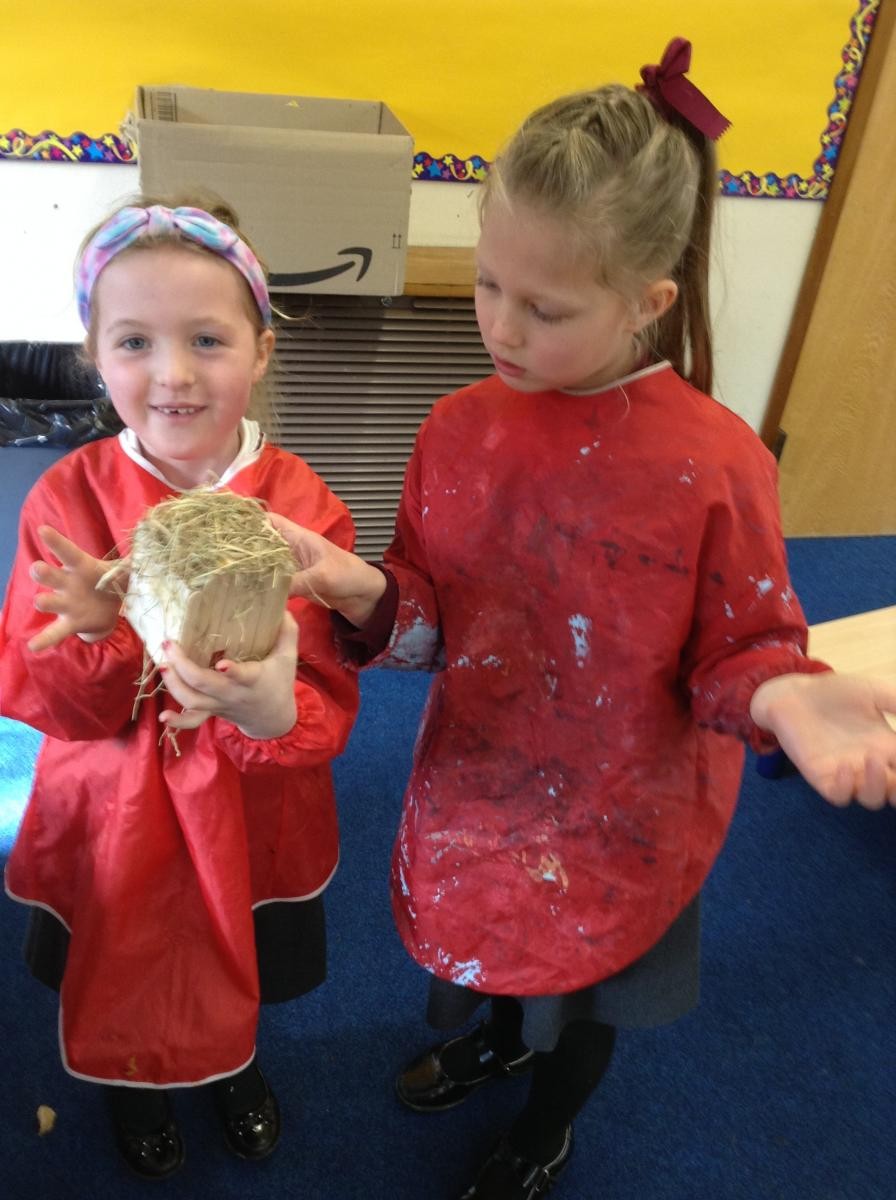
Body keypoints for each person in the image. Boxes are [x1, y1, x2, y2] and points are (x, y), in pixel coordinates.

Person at [267, 39, 896, 1200]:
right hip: (483, 772)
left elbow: (737, 649)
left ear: (646, 302)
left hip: (621, 803)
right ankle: (498, 1042)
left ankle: (546, 1124)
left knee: (588, 997)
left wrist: (785, 692)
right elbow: (435, 621)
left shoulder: (716, 465)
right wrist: (364, 593)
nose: (499, 327)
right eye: (487, 287)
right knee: (494, 957)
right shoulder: (455, 429)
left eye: (543, 308)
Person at [0, 196, 359, 1179]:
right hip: (117, 800)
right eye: (134, 342)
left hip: (249, 802)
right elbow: (48, 700)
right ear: (93, 355)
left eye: (206, 339)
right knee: (126, 949)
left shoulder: (302, 509)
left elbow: (326, 689)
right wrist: (99, 635)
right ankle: (135, 1088)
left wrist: (271, 711)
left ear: (261, 350)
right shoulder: (68, 499)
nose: (172, 374)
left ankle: (231, 1066)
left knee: (236, 947)